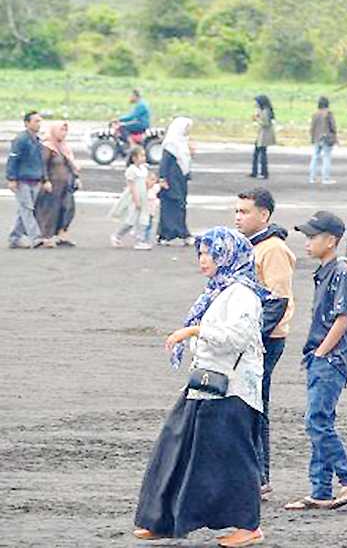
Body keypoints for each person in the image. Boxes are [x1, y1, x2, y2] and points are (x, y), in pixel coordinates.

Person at [133, 227, 268, 547]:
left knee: (233, 457)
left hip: (233, 390)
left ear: (227, 256)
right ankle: (165, 520)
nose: (203, 260)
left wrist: (194, 330)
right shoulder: (219, 290)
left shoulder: (243, 294)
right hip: (207, 384)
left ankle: (249, 527)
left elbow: (237, 338)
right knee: (176, 449)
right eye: (201, 253)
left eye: (210, 253)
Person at [286, 212, 347, 512]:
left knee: (316, 421)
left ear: (331, 241)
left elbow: (343, 320)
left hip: (331, 356)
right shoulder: (327, 271)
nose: (307, 242)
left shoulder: (340, 272)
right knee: (321, 420)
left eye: (312, 237)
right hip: (325, 355)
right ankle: (320, 490)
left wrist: (320, 353)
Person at [233, 188, 296, 499]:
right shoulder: (255, 245)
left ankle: (259, 478)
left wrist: (249, 339)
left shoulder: (272, 249)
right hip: (256, 338)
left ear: (264, 215)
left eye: (244, 212)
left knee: (254, 407)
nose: (238, 217)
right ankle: (255, 477)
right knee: (248, 406)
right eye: (237, 211)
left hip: (265, 340)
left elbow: (278, 300)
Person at [7, 110, 52, 249]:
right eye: (36, 121)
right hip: (22, 180)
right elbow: (13, 159)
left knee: (24, 210)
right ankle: (36, 238)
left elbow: (41, 161)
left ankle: (14, 237)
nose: (39, 124)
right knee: (27, 208)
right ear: (27, 123)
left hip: (35, 180)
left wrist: (45, 179)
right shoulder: (20, 140)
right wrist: (12, 178)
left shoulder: (37, 140)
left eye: (40, 121)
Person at [35, 118, 79, 246]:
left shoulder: (64, 147)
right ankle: (46, 237)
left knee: (68, 209)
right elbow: (43, 165)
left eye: (65, 130)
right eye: (61, 130)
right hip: (53, 185)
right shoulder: (47, 146)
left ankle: (62, 235)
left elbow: (70, 165)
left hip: (66, 185)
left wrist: (76, 177)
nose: (64, 133)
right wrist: (46, 180)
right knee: (50, 210)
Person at [157, 117, 195, 246]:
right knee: (173, 206)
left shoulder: (183, 143)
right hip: (171, 180)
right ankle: (171, 234)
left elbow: (185, 163)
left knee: (180, 205)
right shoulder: (171, 144)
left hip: (180, 180)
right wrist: (162, 179)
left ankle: (179, 233)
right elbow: (164, 163)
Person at [111, 145, 154, 249]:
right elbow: (132, 186)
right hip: (134, 197)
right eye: (141, 156)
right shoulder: (131, 170)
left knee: (144, 219)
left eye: (144, 155)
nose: (144, 158)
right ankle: (117, 235)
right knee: (130, 220)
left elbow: (145, 184)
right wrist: (136, 200)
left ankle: (141, 240)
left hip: (144, 196)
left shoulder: (144, 169)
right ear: (134, 158)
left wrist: (150, 184)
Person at [309, 96, 337, 185]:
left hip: (317, 137)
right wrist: (335, 137)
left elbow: (312, 127)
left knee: (315, 157)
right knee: (326, 157)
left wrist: (312, 137)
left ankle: (312, 178)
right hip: (327, 137)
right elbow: (333, 126)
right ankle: (326, 178)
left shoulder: (315, 114)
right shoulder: (328, 113)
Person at [249, 95, 275, 180]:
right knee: (257, 153)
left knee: (262, 154)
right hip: (261, 134)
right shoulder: (263, 110)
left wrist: (257, 119)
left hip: (264, 135)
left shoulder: (265, 111)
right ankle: (255, 172)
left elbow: (266, 123)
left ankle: (263, 173)